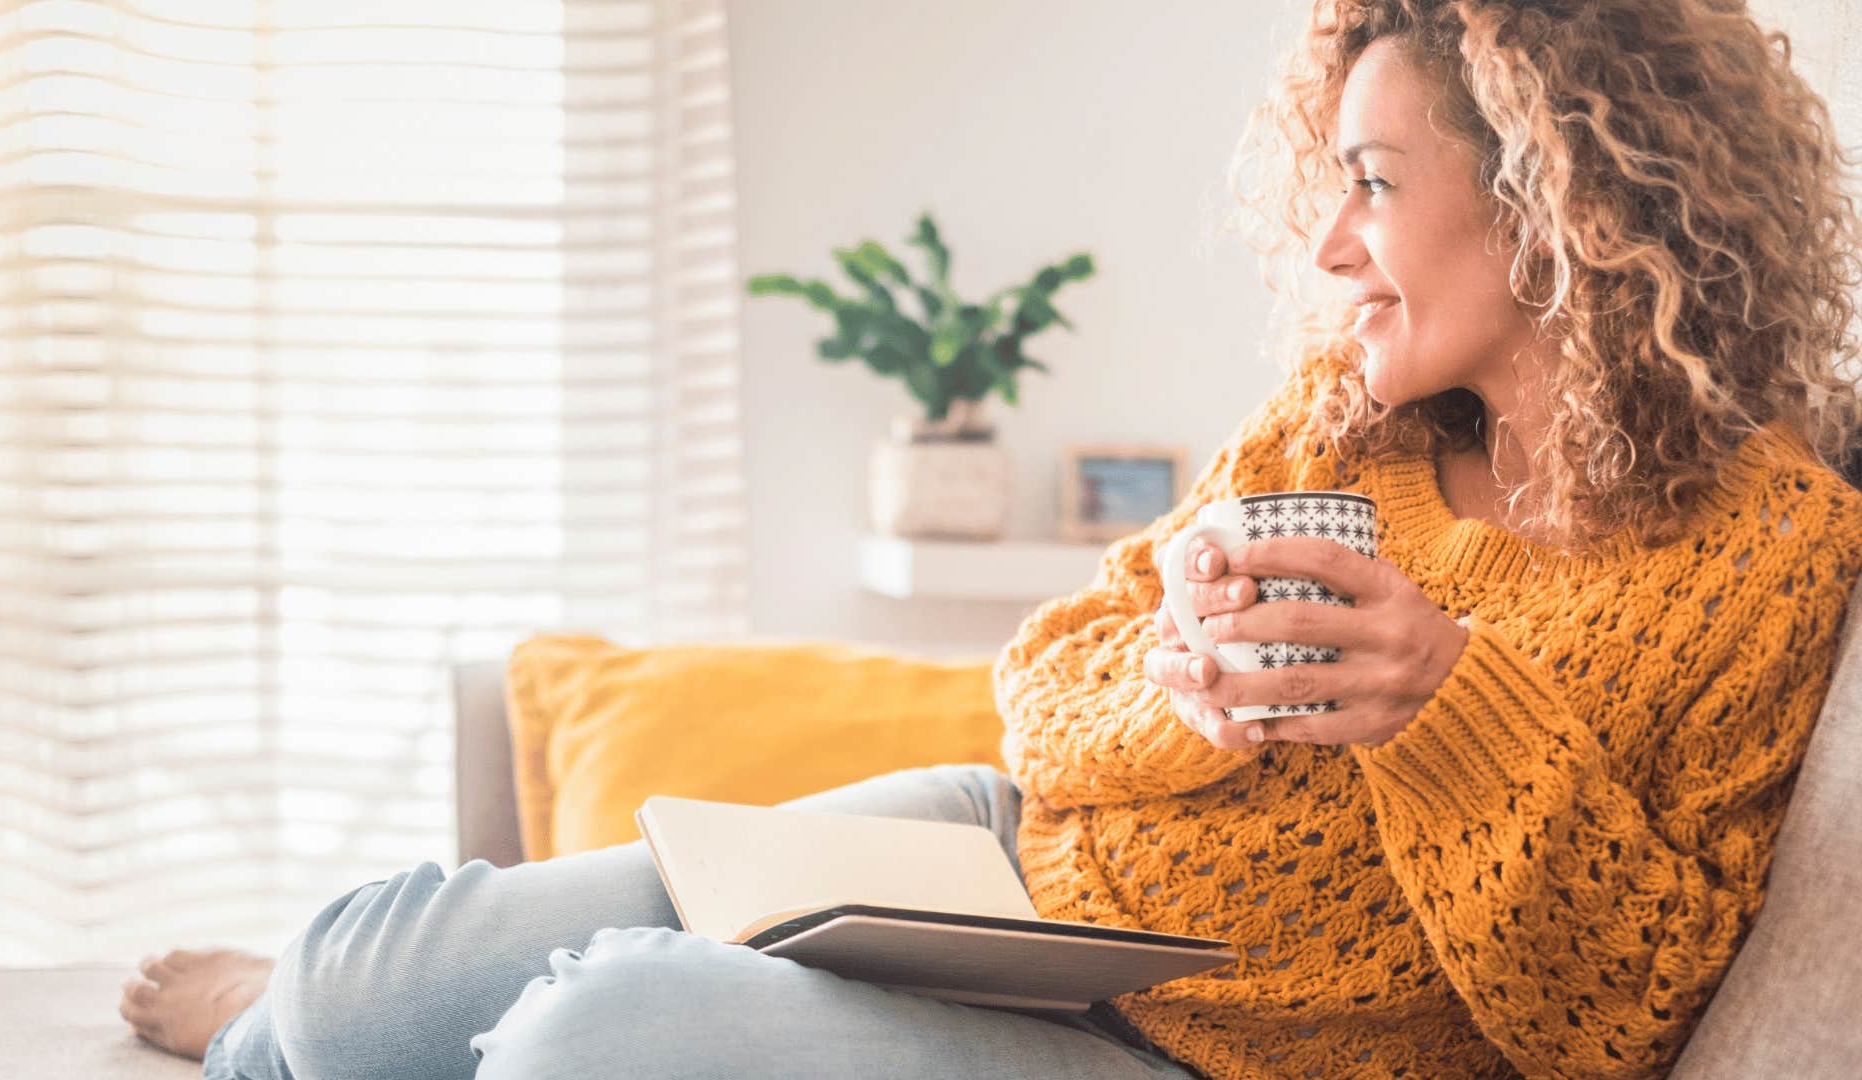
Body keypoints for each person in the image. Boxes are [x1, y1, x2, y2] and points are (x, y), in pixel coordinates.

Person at [119, 0, 1862, 1077]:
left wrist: (1446, 711)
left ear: (1566, 200)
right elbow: (1043, 696)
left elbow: (1627, 1021)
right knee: (364, 977)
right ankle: (304, 1032)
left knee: (591, 1039)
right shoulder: (1347, 423)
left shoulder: (1768, 551)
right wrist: (1181, 682)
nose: (1329, 245)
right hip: (1000, 866)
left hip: (1210, 1054)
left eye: (1376, 184)